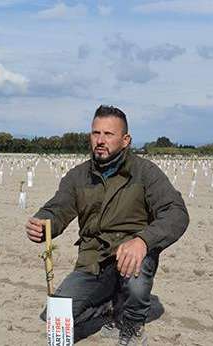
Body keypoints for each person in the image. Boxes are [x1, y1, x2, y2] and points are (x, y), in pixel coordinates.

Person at [25, 105, 189, 345]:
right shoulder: (78, 176)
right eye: (95, 133)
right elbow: (58, 208)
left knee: (135, 278)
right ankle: (108, 302)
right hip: (94, 261)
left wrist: (143, 241)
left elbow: (176, 212)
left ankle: (131, 324)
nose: (100, 140)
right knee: (56, 316)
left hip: (131, 256)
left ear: (125, 140)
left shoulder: (144, 173)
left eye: (108, 134)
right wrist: (43, 222)